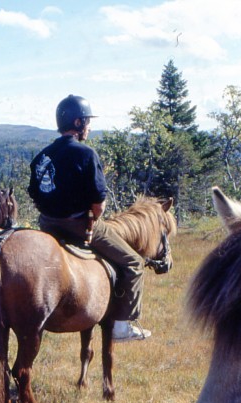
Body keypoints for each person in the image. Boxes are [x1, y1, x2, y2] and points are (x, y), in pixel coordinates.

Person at [28, 95, 150, 342]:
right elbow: (99, 203)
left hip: (46, 224)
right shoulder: (85, 153)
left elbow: (34, 193)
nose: (90, 127)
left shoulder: (42, 155)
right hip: (78, 225)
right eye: (88, 122)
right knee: (134, 262)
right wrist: (92, 217)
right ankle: (123, 326)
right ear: (78, 121)